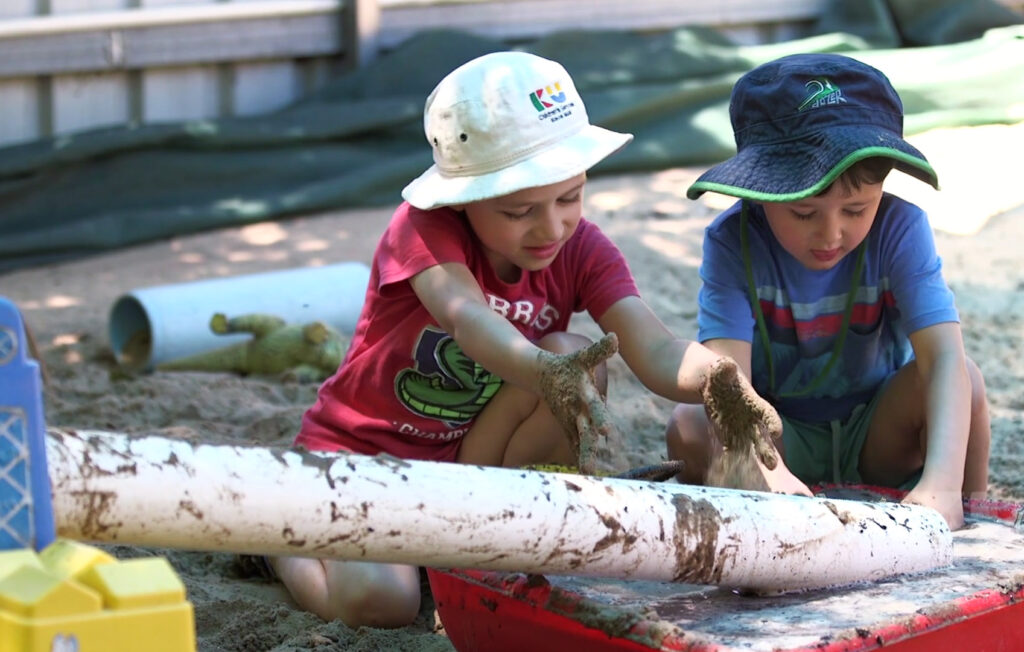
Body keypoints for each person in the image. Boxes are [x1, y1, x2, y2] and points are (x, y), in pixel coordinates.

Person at [269, 51, 782, 628]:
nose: (552, 227)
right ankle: (280, 541)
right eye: (519, 210)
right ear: (462, 197)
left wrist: (716, 379)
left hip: (467, 467)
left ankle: (493, 533)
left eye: (570, 197)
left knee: (575, 356)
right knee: (384, 604)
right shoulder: (420, 229)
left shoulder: (582, 249)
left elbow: (653, 345)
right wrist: (544, 372)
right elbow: (467, 318)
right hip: (361, 455)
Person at [664, 52, 991, 531]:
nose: (831, 234)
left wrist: (942, 483)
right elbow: (729, 382)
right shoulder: (731, 240)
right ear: (759, 192)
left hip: (876, 433)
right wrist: (768, 473)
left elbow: (942, 357)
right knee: (689, 424)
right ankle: (736, 533)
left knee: (967, 378)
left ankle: (971, 516)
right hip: (777, 436)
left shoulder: (901, 227)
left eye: (856, 210)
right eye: (803, 213)